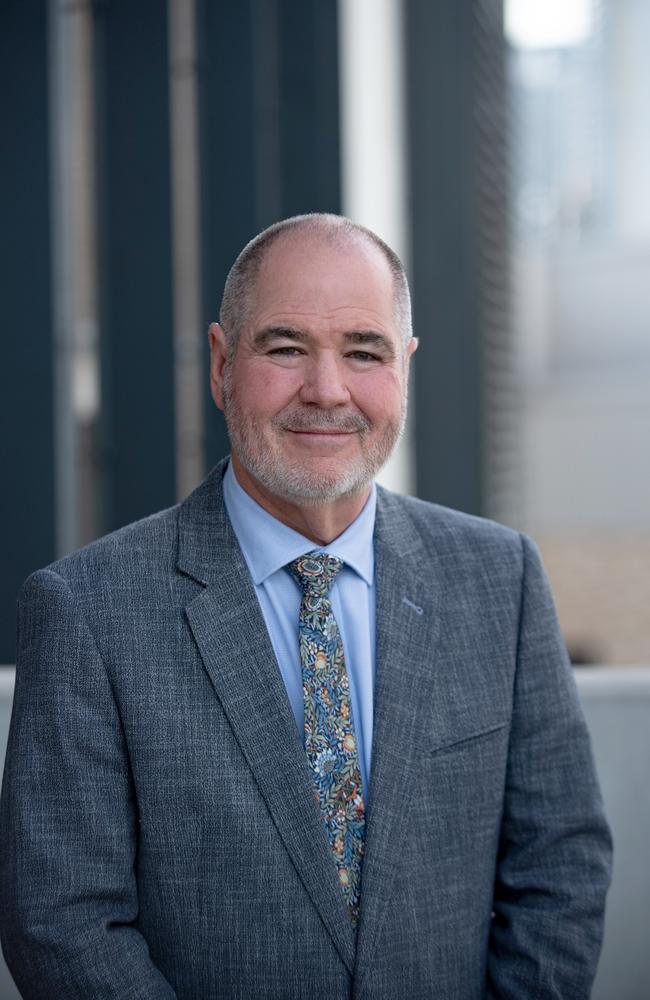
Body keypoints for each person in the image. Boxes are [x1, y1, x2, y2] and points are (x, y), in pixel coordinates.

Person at [0, 214, 611, 999]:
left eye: (364, 352)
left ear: (405, 369)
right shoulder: (86, 612)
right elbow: (61, 923)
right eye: (285, 347)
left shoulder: (502, 579)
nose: (326, 390)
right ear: (222, 365)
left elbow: (561, 864)